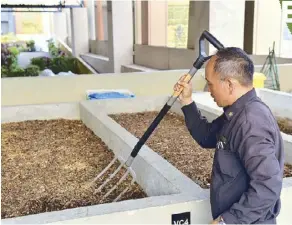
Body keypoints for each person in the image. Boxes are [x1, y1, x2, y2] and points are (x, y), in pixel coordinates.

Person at [174, 47, 284, 224]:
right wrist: (187, 100)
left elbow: (268, 185)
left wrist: (228, 221)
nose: (209, 90)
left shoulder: (250, 122)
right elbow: (207, 136)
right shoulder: (236, 113)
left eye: (210, 83)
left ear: (230, 84)